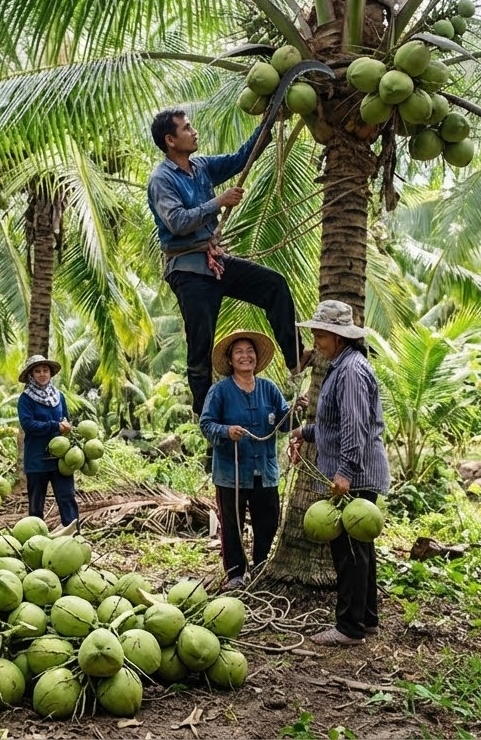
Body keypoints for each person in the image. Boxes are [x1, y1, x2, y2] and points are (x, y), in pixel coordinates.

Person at [146, 108, 303, 416]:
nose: (194, 132)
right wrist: (219, 201)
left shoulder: (201, 166)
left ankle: (295, 355)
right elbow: (177, 222)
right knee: (200, 344)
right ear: (170, 140)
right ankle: (204, 411)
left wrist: (267, 123)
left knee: (274, 285)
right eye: (187, 128)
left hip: (214, 261)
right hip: (189, 270)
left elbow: (240, 159)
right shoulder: (161, 179)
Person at [288, 301, 390, 645]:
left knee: (348, 552)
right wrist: (305, 433)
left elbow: (356, 426)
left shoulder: (349, 371)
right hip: (355, 470)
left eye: (320, 334)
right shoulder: (341, 366)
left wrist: (345, 471)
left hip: (356, 473)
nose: (315, 340)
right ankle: (367, 618)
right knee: (359, 548)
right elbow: (334, 425)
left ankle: (349, 628)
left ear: (338, 337)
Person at [200, 331, 305, 591]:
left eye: (250, 351)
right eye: (239, 352)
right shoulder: (220, 391)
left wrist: (295, 411)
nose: (245, 356)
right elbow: (206, 424)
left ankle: (260, 566)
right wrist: (226, 431)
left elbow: (285, 424)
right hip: (231, 472)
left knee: (268, 520)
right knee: (232, 525)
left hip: (265, 470)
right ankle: (235, 574)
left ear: (257, 358)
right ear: (230, 359)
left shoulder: (269, 389)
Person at [16, 354, 80, 527]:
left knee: (67, 497)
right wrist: (55, 426)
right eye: (37, 371)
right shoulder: (26, 399)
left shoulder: (59, 396)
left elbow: (65, 420)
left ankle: (74, 536)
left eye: (45, 370)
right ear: (31, 375)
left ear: (51, 373)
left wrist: (67, 428)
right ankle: (35, 539)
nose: (42, 374)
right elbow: (28, 424)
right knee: (36, 504)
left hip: (61, 460)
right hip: (37, 460)